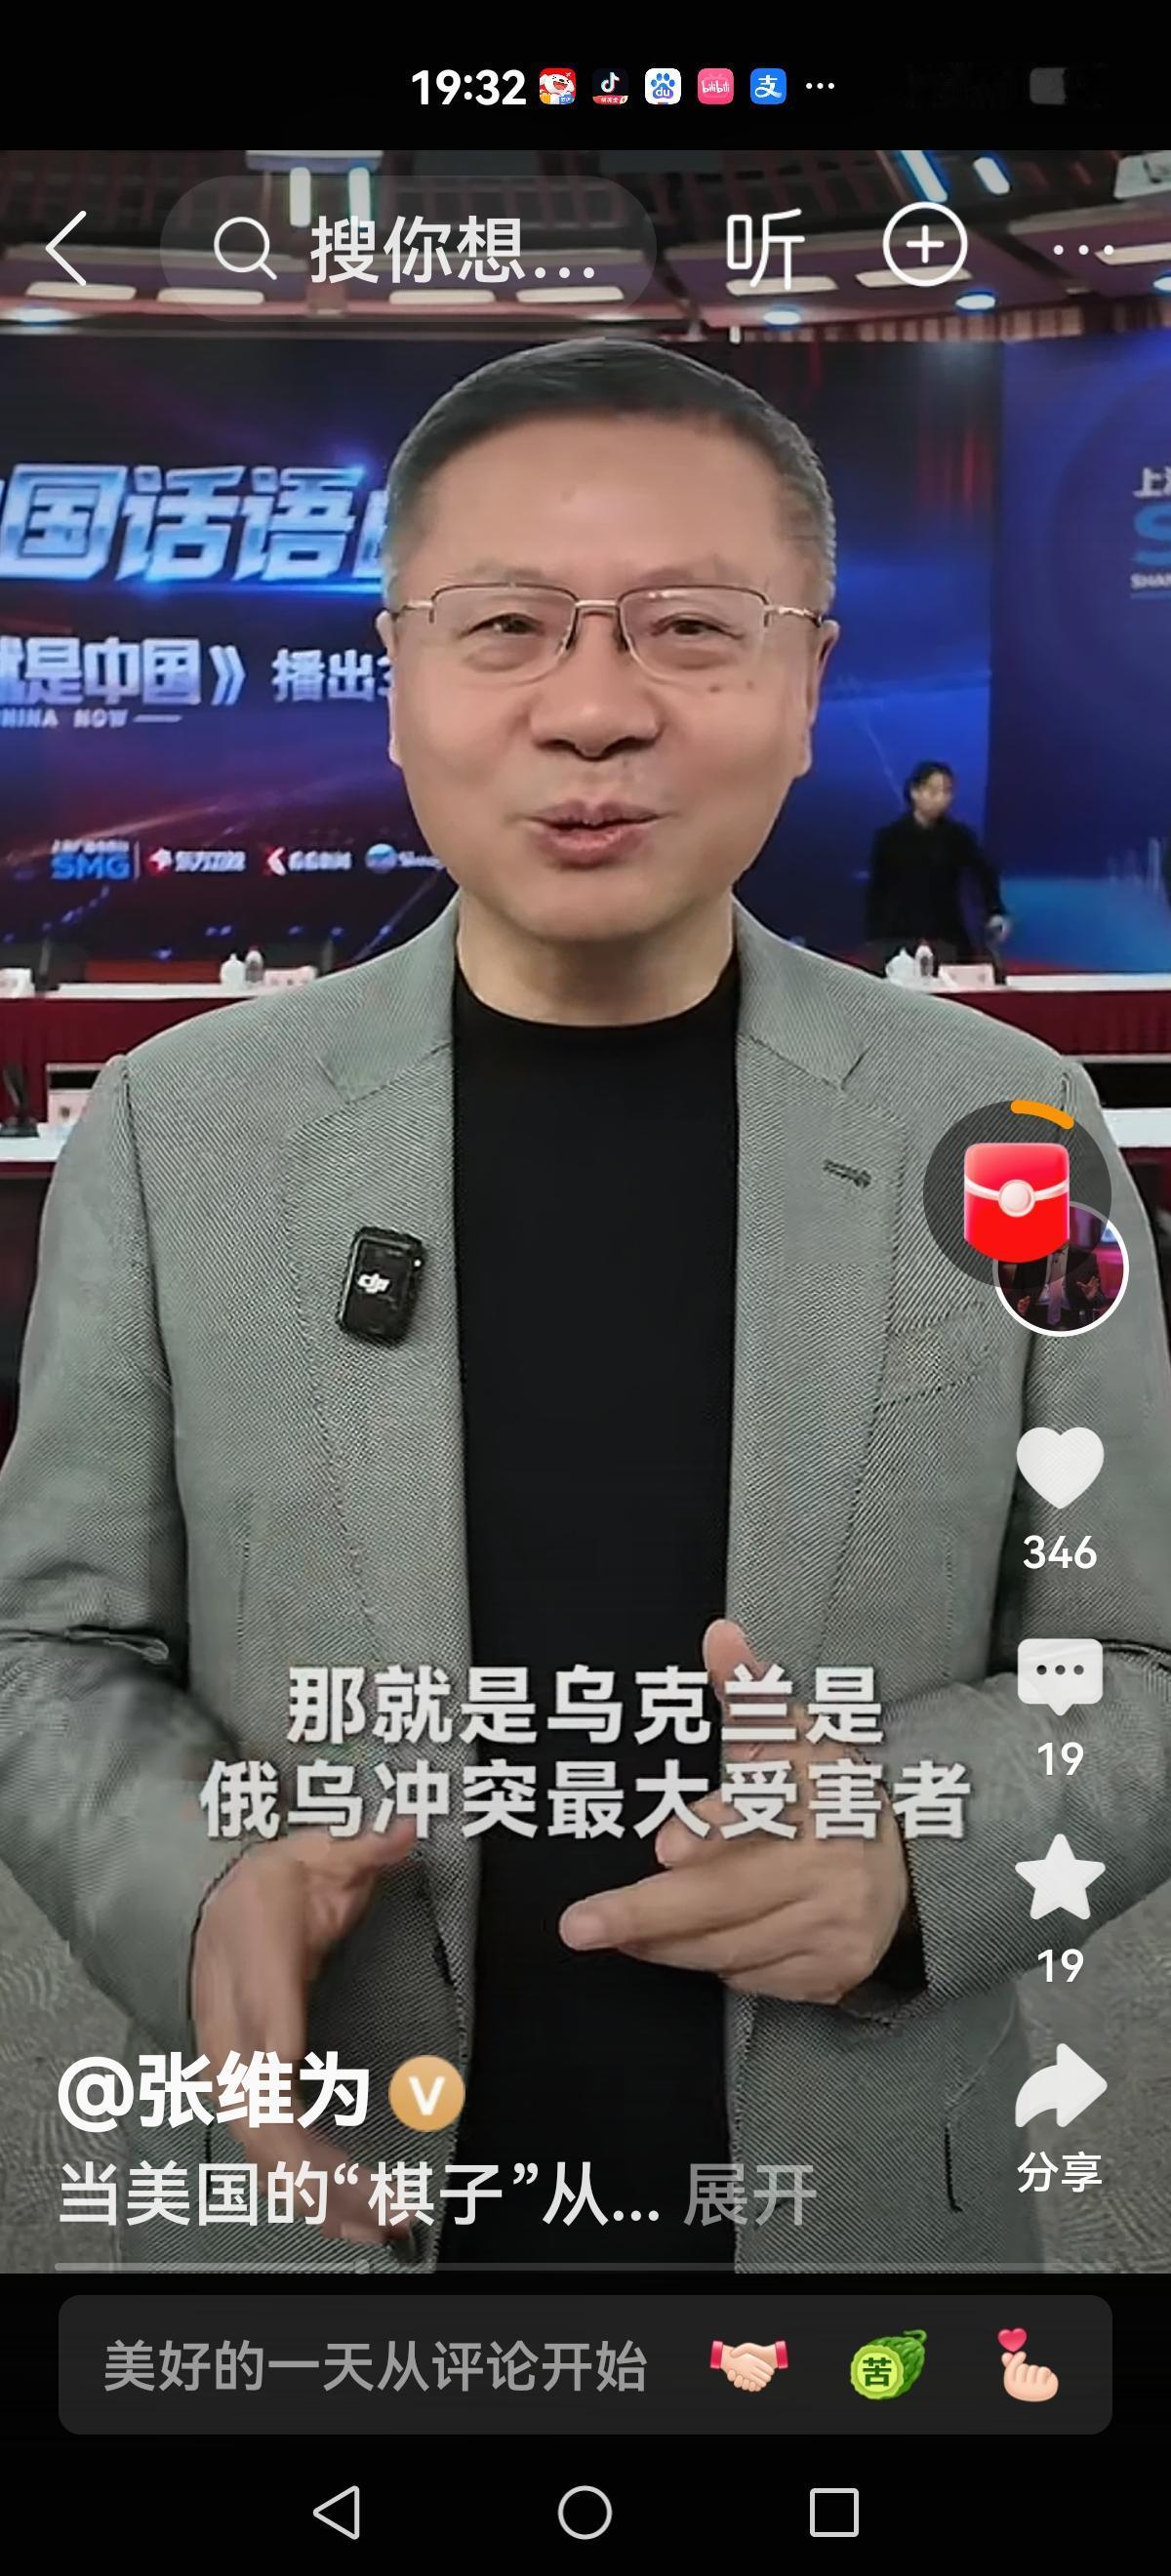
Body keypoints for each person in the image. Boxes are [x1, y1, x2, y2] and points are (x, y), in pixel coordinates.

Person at [1, 336, 1169, 2282]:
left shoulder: (1011, 1134)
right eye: (507, 627)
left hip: (860, 2240)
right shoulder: (177, 1133)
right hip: (322, 2226)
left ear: (810, 683)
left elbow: (1137, 1661)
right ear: (397, 679)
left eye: (693, 628)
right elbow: (50, 1644)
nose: (599, 709)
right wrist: (194, 1882)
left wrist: (919, 1844)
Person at [865, 760, 1009, 964]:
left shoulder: (958, 837)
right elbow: (877, 891)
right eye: (933, 791)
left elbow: (984, 874)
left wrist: (995, 911)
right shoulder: (889, 838)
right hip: (898, 933)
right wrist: (873, 936)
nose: (940, 798)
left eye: (947, 792)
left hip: (946, 932)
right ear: (914, 792)